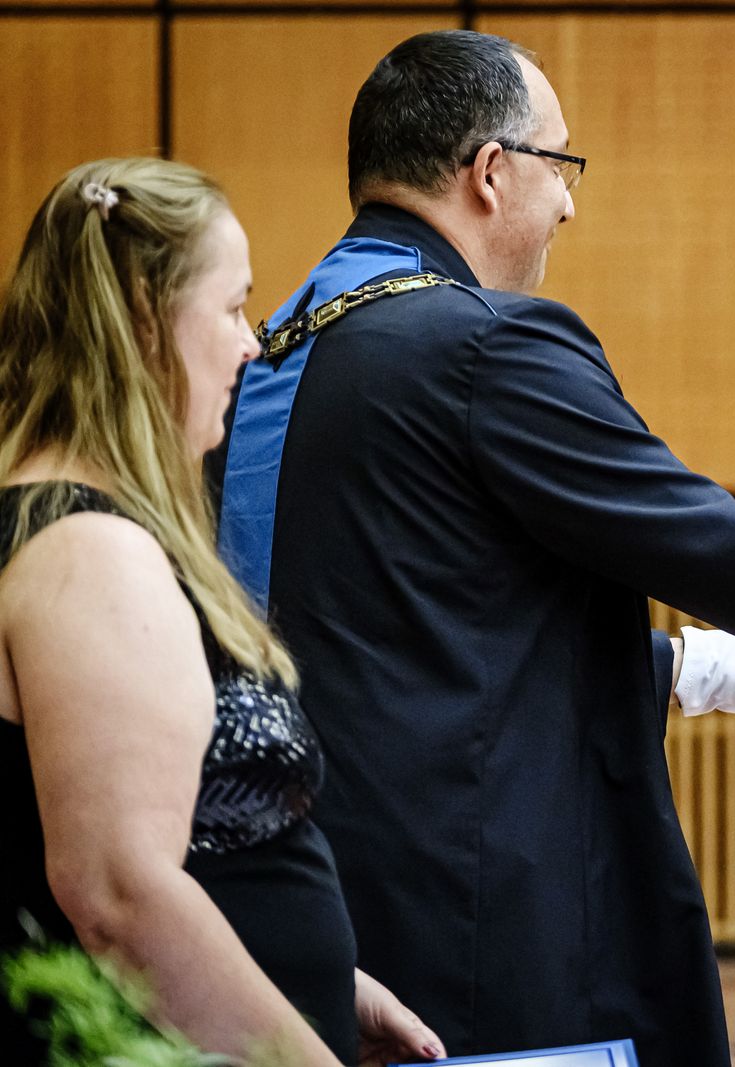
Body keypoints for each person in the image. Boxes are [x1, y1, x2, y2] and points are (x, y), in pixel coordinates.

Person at [209, 30, 735, 1067]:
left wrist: (680, 669)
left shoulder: (269, 355)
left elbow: (384, 638)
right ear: (492, 171)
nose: (568, 204)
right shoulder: (485, 343)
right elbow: (705, 536)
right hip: (483, 932)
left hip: (310, 910)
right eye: (560, 165)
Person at [0, 158, 443, 1066]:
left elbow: (196, 851)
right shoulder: (88, 552)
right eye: (233, 307)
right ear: (144, 317)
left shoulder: (78, 527)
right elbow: (119, 895)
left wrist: (329, 982)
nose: (251, 345)